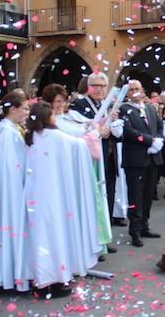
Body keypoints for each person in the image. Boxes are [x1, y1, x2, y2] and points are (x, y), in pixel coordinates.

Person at [24, 101, 104, 298]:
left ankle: (41, 280)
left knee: (40, 235)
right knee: (56, 234)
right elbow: (80, 146)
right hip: (54, 195)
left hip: (34, 194)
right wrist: (94, 132)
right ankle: (58, 279)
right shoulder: (55, 136)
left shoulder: (31, 136)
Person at [41, 84, 116, 257]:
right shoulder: (51, 122)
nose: (60, 104)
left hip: (87, 166)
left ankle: (97, 242)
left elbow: (90, 125)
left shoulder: (72, 115)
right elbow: (73, 137)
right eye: (56, 101)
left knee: (93, 203)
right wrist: (92, 132)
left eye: (62, 101)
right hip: (70, 169)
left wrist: (104, 123)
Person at [0, 91, 31, 292]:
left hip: (16, 184)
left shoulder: (13, 128)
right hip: (8, 189)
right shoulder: (5, 131)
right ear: (13, 109)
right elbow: (8, 164)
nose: (28, 112)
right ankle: (4, 274)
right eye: (25, 108)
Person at [69, 73, 119, 230]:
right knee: (93, 195)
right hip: (91, 158)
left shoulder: (107, 105)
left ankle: (106, 232)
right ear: (88, 87)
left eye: (102, 86)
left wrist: (112, 126)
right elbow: (78, 129)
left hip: (109, 155)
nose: (99, 89)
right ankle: (93, 234)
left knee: (108, 193)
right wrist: (98, 129)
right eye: (95, 86)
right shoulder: (78, 105)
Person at [117, 80, 163, 247]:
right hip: (135, 160)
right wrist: (150, 141)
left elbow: (159, 127)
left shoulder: (150, 108)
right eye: (132, 89)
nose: (135, 92)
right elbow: (128, 132)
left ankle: (145, 226)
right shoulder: (123, 109)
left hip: (152, 158)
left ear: (142, 90)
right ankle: (135, 231)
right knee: (135, 196)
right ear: (127, 93)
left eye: (138, 88)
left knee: (148, 195)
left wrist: (158, 140)